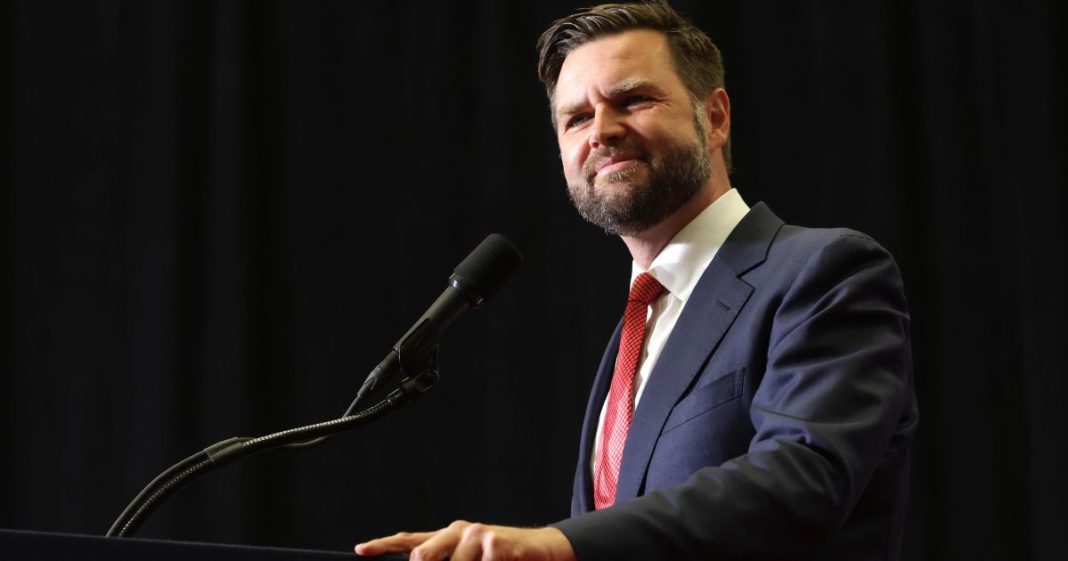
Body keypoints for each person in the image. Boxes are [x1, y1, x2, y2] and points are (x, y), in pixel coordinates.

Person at [355, 1, 918, 560]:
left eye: (633, 99)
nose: (601, 130)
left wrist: (556, 546)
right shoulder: (637, 325)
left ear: (715, 118)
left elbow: (803, 479)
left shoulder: (823, 272)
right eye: (576, 117)